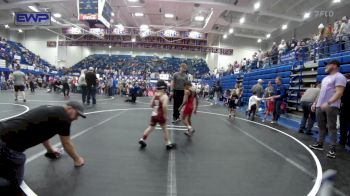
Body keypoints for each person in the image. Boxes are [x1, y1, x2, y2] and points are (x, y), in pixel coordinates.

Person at [0, 101, 85, 192]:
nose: (76, 118)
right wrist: (77, 159)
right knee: (15, 180)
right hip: (7, 145)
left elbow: (43, 133)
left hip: (2, 132)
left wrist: (50, 150)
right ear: (69, 108)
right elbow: (66, 143)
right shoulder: (64, 118)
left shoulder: (49, 109)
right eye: (77, 114)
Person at [309, 60, 347, 159]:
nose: (326, 67)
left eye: (328, 65)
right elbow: (321, 92)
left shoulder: (340, 77)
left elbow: (339, 93)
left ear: (334, 66)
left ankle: (332, 148)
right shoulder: (325, 78)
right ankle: (320, 144)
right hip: (320, 106)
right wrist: (315, 103)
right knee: (321, 126)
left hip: (332, 106)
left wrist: (328, 103)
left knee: (331, 127)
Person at [138, 80, 175, 150]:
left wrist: (156, 107)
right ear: (164, 89)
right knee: (164, 129)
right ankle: (168, 143)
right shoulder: (165, 96)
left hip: (154, 114)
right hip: (160, 114)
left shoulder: (155, 95)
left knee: (150, 127)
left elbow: (151, 105)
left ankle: (142, 139)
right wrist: (165, 115)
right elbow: (164, 106)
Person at [339, 74, 350, 147]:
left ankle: (342, 141)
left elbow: (341, 96)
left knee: (343, 125)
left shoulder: (345, 85)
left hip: (345, 107)